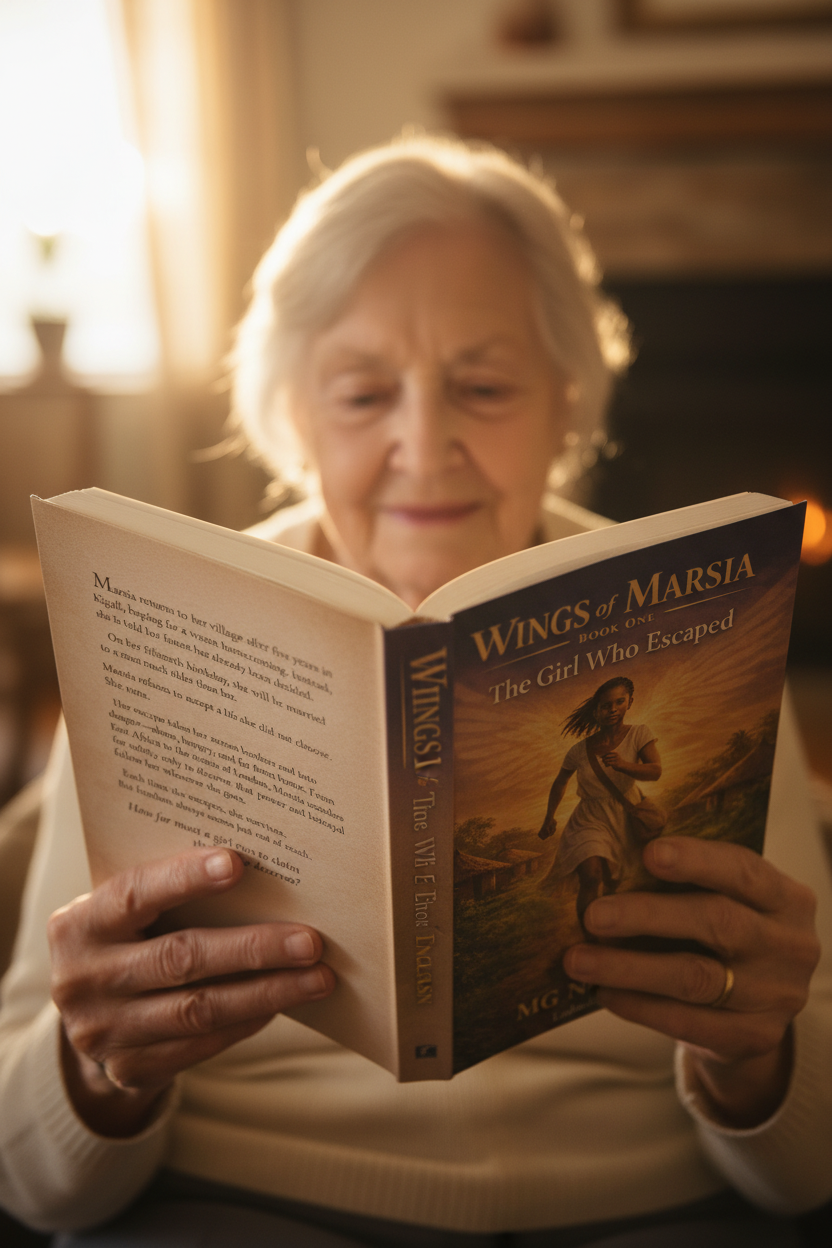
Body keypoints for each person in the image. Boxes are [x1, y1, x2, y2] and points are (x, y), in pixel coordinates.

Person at [0, 136, 830, 1247]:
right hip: (240, 1202)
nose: (422, 444)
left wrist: (754, 1061)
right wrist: (97, 1073)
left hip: (643, 1202)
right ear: (293, 417)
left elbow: (805, 1176)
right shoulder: (156, 630)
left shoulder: (698, 618)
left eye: (483, 387)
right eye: (361, 394)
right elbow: (38, 1186)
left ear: (566, 404)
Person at [538, 677, 662, 937]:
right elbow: (560, 782)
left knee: (612, 878)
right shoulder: (578, 751)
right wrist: (549, 816)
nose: (613, 709)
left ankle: (610, 914)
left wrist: (623, 765)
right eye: (606, 705)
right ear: (596, 711)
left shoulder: (640, 733)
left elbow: (655, 771)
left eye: (619, 702)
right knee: (590, 875)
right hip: (588, 818)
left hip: (623, 814)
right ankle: (590, 937)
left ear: (630, 702)